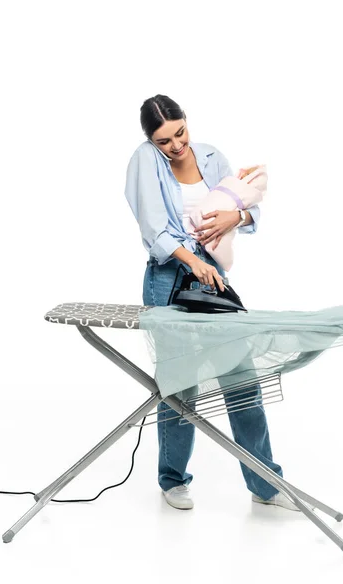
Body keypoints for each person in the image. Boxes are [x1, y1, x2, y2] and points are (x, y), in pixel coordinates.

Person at [124, 94, 300, 512]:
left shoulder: (211, 156)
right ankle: (172, 479)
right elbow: (153, 227)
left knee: (242, 381)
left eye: (180, 132)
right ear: (151, 139)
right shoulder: (145, 160)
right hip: (169, 278)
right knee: (180, 386)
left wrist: (234, 219)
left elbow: (247, 209)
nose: (177, 144)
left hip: (214, 277)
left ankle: (266, 484)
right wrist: (191, 262)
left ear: (187, 121)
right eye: (165, 140)